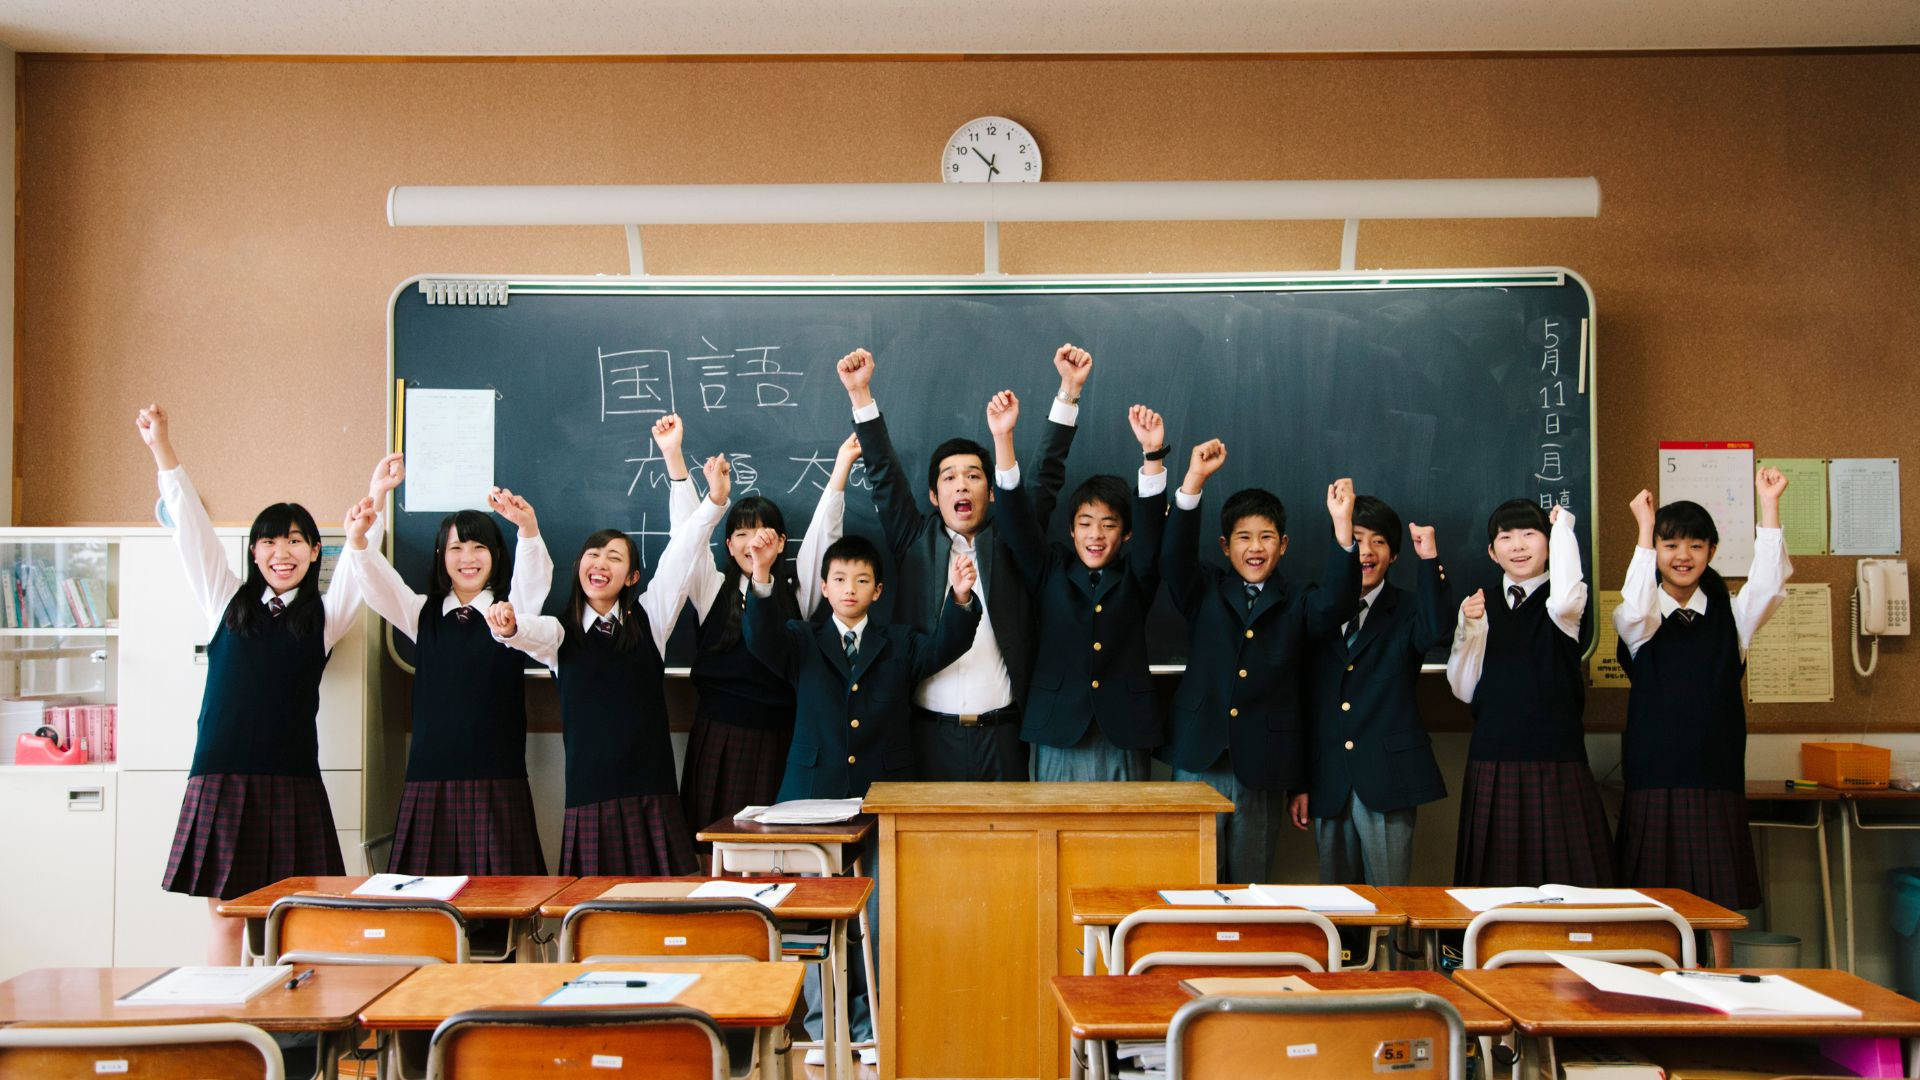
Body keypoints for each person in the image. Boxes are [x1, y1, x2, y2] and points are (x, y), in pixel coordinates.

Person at [139, 403, 372, 964]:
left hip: (290, 779)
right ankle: (230, 1032)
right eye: (269, 542)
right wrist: (161, 447)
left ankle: (288, 1038)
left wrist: (371, 515)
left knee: (291, 923)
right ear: (253, 552)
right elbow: (190, 528)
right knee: (225, 917)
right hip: (221, 774)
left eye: (295, 541)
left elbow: (362, 568)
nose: (281, 552)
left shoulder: (326, 615)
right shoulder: (224, 600)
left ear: (316, 552)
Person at [742, 534, 981, 1066]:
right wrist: (761, 578)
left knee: (875, 918)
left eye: (862, 580)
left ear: (878, 590)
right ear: (824, 587)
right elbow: (759, 639)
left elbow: (947, 645)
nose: (851, 589)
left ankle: (868, 1026)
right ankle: (821, 1027)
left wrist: (961, 598)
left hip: (881, 799)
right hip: (810, 804)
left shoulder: (899, 643)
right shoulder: (800, 639)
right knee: (813, 922)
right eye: (841, 579)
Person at [839, 344, 1086, 781]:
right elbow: (883, 473)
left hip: (1005, 737)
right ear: (935, 497)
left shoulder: (1012, 544)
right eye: (949, 477)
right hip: (926, 737)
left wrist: (1068, 391)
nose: (962, 486)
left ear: (991, 493)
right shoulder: (914, 542)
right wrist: (861, 395)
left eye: (974, 476)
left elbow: (1046, 475)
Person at [484, 453, 730, 875]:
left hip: (652, 791)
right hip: (590, 796)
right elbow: (523, 630)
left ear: (633, 577)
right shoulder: (561, 634)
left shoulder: (651, 618)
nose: (600, 563)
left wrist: (715, 502)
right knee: (595, 920)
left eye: (615, 558)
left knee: (662, 914)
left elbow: (682, 553)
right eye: (593, 554)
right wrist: (507, 625)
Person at [1160, 437, 1361, 882]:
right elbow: (1173, 557)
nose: (1255, 547)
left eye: (1266, 537)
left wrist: (1343, 528)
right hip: (1199, 756)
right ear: (1224, 546)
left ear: (1284, 545)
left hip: (1265, 766)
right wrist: (1193, 480)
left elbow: (1338, 604)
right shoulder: (1205, 590)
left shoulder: (1300, 601)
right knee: (1193, 882)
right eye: (1244, 538)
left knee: (1250, 885)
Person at [341, 453, 553, 876]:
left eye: (478, 547)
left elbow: (533, 581)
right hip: (429, 781)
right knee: (428, 913)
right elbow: (378, 585)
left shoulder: (510, 615)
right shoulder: (422, 614)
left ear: (495, 554)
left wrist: (527, 530)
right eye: (456, 548)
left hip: (497, 780)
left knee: (501, 911)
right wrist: (361, 536)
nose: (467, 558)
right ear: (442, 556)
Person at [655, 413, 853, 844]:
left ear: (782, 542)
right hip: (719, 736)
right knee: (715, 849)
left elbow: (823, 535)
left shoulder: (797, 589)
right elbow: (686, 538)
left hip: (781, 736)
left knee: (776, 849)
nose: (753, 542)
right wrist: (675, 461)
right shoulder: (710, 586)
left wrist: (840, 472)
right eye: (742, 534)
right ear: (728, 545)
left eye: (764, 533)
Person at [1612, 469, 1791, 909]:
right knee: (1651, 904)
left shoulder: (1734, 615)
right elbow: (1635, 606)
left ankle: (1718, 975)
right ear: (1654, 552)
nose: (1683, 556)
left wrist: (1769, 505)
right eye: (1670, 545)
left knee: (1717, 904)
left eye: (1695, 545)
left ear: (1712, 550)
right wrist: (1643, 530)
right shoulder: (1641, 619)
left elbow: (1769, 585)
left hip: (1717, 775)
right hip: (1653, 776)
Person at [991, 393, 1170, 780]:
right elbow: (1017, 523)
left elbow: (1154, 535)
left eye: (1109, 524)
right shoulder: (1049, 568)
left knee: (1123, 840)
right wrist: (1003, 440)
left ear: (1125, 534)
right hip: (1056, 730)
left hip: (1123, 731)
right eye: (1086, 523)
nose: (1096, 535)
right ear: (1071, 530)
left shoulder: (1136, 577)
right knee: (1053, 838)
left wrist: (1152, 456)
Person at [1447, 499, 1611, 887]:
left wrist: (1564, 530)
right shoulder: (1478, 603)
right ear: (1492, 551)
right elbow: (1463, 689)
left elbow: (1568, 594)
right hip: (1493, 757)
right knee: (1494, 889)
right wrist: (1472, 629)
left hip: (1556, 759)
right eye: (1506, 537)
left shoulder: (1563, 604)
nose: (1518, 546)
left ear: (1548, 544)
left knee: (1567, 887)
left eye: (1529, 534)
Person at [1302, 496, 1452, 887]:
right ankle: (1347, 953)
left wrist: (1429, 559)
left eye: (1379, 541)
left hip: (1389, 778)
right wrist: (1298, 783)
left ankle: (1397, 952)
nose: (1366, 552)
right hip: (1328, 778)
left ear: (1395, 554)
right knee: (1338, 905)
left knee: (1391, 903)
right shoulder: (1315, 605)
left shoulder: (1409, 608)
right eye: (1357, 539)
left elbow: (1436, 632)